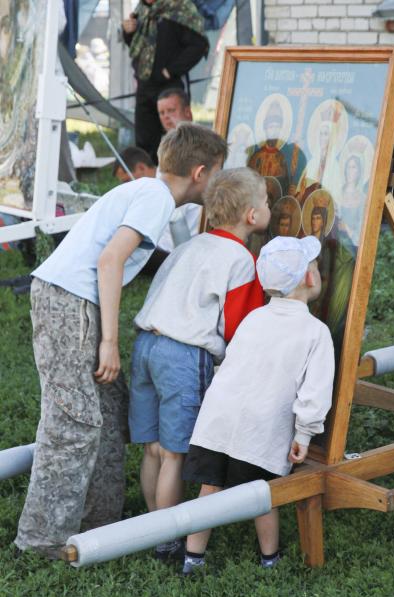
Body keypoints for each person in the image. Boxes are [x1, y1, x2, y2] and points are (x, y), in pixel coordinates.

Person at [14, 123, 227, 559]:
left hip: (78, 303)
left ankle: (101, 521)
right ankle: (40, 541)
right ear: (201, 172)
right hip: (68, 302)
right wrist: (109, 341)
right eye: (220, 172)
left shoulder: (148, 192)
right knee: (73, 422)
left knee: (110, 414)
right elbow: (111, 260)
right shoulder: (155, 198)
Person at [128, 167, 270, 561]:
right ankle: (167, 539)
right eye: (266, 202)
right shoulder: (241, 260)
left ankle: (151, 526)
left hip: (146, 345)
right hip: (184, 355)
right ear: (252, 216)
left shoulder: (191, 245)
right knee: (175, 454)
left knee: (154, 448)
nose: (268, 208)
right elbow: (241, 329)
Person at [182, 235, 335, 575]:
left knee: (210, 487)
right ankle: (269, 559)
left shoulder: (253, 318)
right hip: (262, 427)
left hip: (218, 418)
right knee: (262, 496)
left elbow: (232, 362)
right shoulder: (316, 332)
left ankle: (193, 557)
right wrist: (305, 435)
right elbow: (315, 393)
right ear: (310, 278)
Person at [122, 0, 208, 162]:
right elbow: (138, 45)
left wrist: (171, 71)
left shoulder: (180, 8)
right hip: (145, 84)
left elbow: (198, 45)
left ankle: (182, 175)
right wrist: (128, 32)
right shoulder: (142, 10)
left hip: (170, 86)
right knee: (145, 139)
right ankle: (149, 180)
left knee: (178, 135)